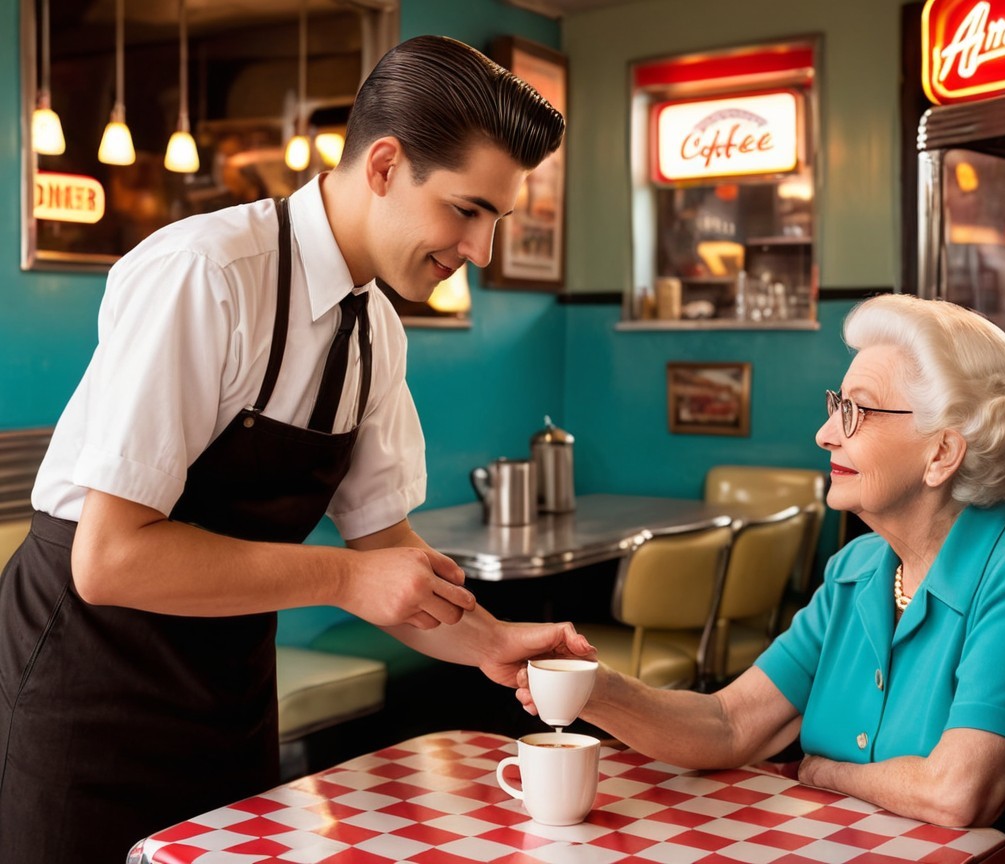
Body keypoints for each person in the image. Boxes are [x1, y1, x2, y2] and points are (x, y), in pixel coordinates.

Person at [0, 34, 592, 863]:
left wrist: (495, 642)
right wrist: (347, 580)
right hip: (85, 692)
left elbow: (386, 550)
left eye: (496, 219)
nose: (480, 252)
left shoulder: (377, 330)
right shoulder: (205, 274)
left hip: (228, 697)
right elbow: (110, 560)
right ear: (384, 165)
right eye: (467, 210)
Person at [528, 294, 1005, 863]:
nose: (825, 433)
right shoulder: (856, 570)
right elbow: (730, 724)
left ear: (941, 453)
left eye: (858, 411)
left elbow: (959, 795)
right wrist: (592, 688)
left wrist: (823, 772)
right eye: (835, 406)